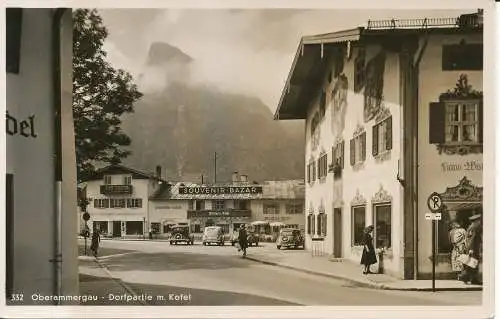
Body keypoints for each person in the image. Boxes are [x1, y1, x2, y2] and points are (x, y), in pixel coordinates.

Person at [460, 213, 482, 285]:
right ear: (475, 221)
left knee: (472, 264)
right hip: (473, 248)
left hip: (471, 248)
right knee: (472, 264)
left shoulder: (470, 227)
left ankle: (471, 279)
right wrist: (471, 249)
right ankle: (467, 278)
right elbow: (472, 239)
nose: (479, 222)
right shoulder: (474, 228)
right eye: (478, 221)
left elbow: (467, 239)